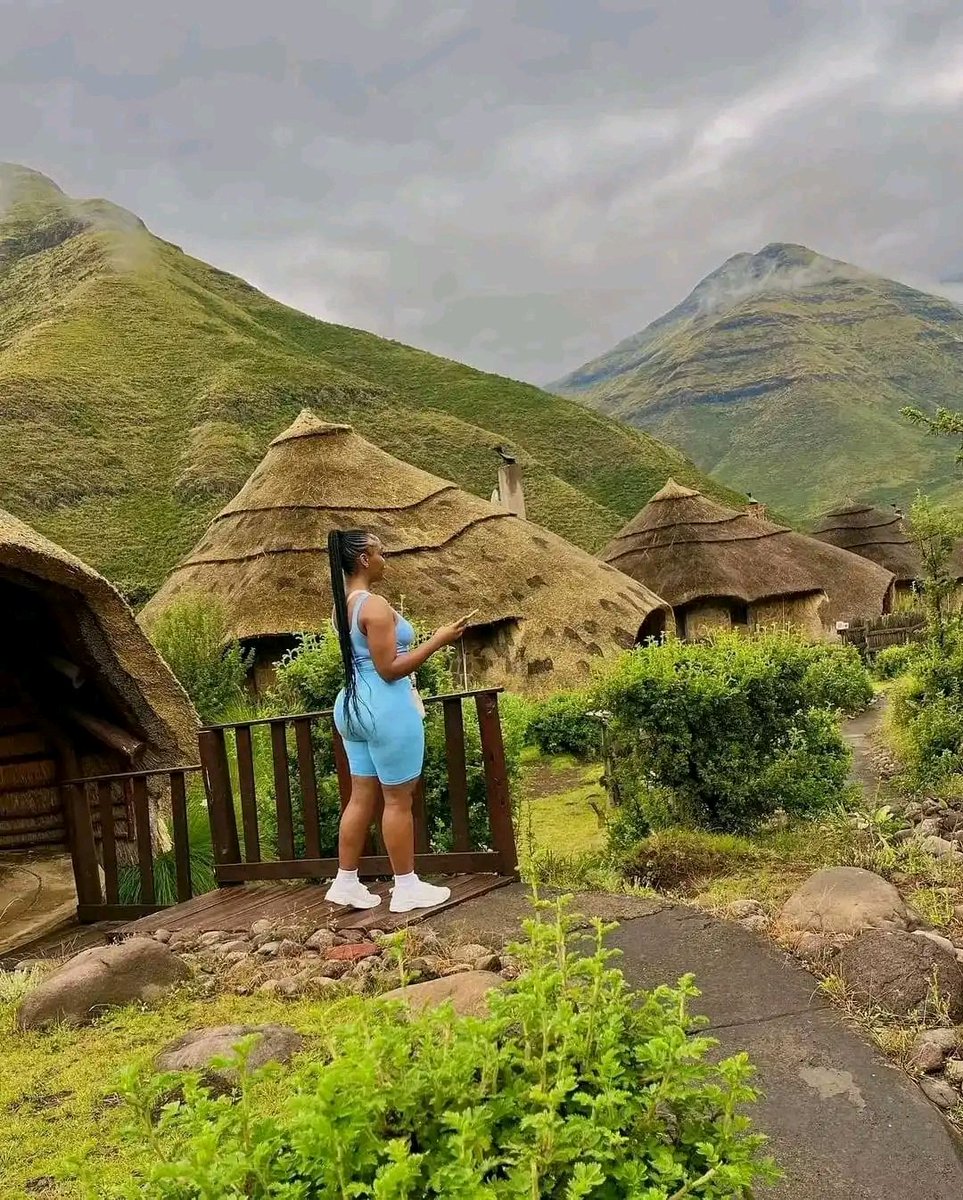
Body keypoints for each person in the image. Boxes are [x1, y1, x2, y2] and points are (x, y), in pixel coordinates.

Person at [324, 529, 470, 912]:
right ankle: (405, 887)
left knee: (360, 796)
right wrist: (439, 640)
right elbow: (389, 669)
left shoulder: (344, 606)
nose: (384, 560)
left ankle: (346, 881)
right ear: (363, 559)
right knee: (397, 799)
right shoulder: (374, 605)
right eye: (380, 553)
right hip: (386, 706)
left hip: (352, 705)